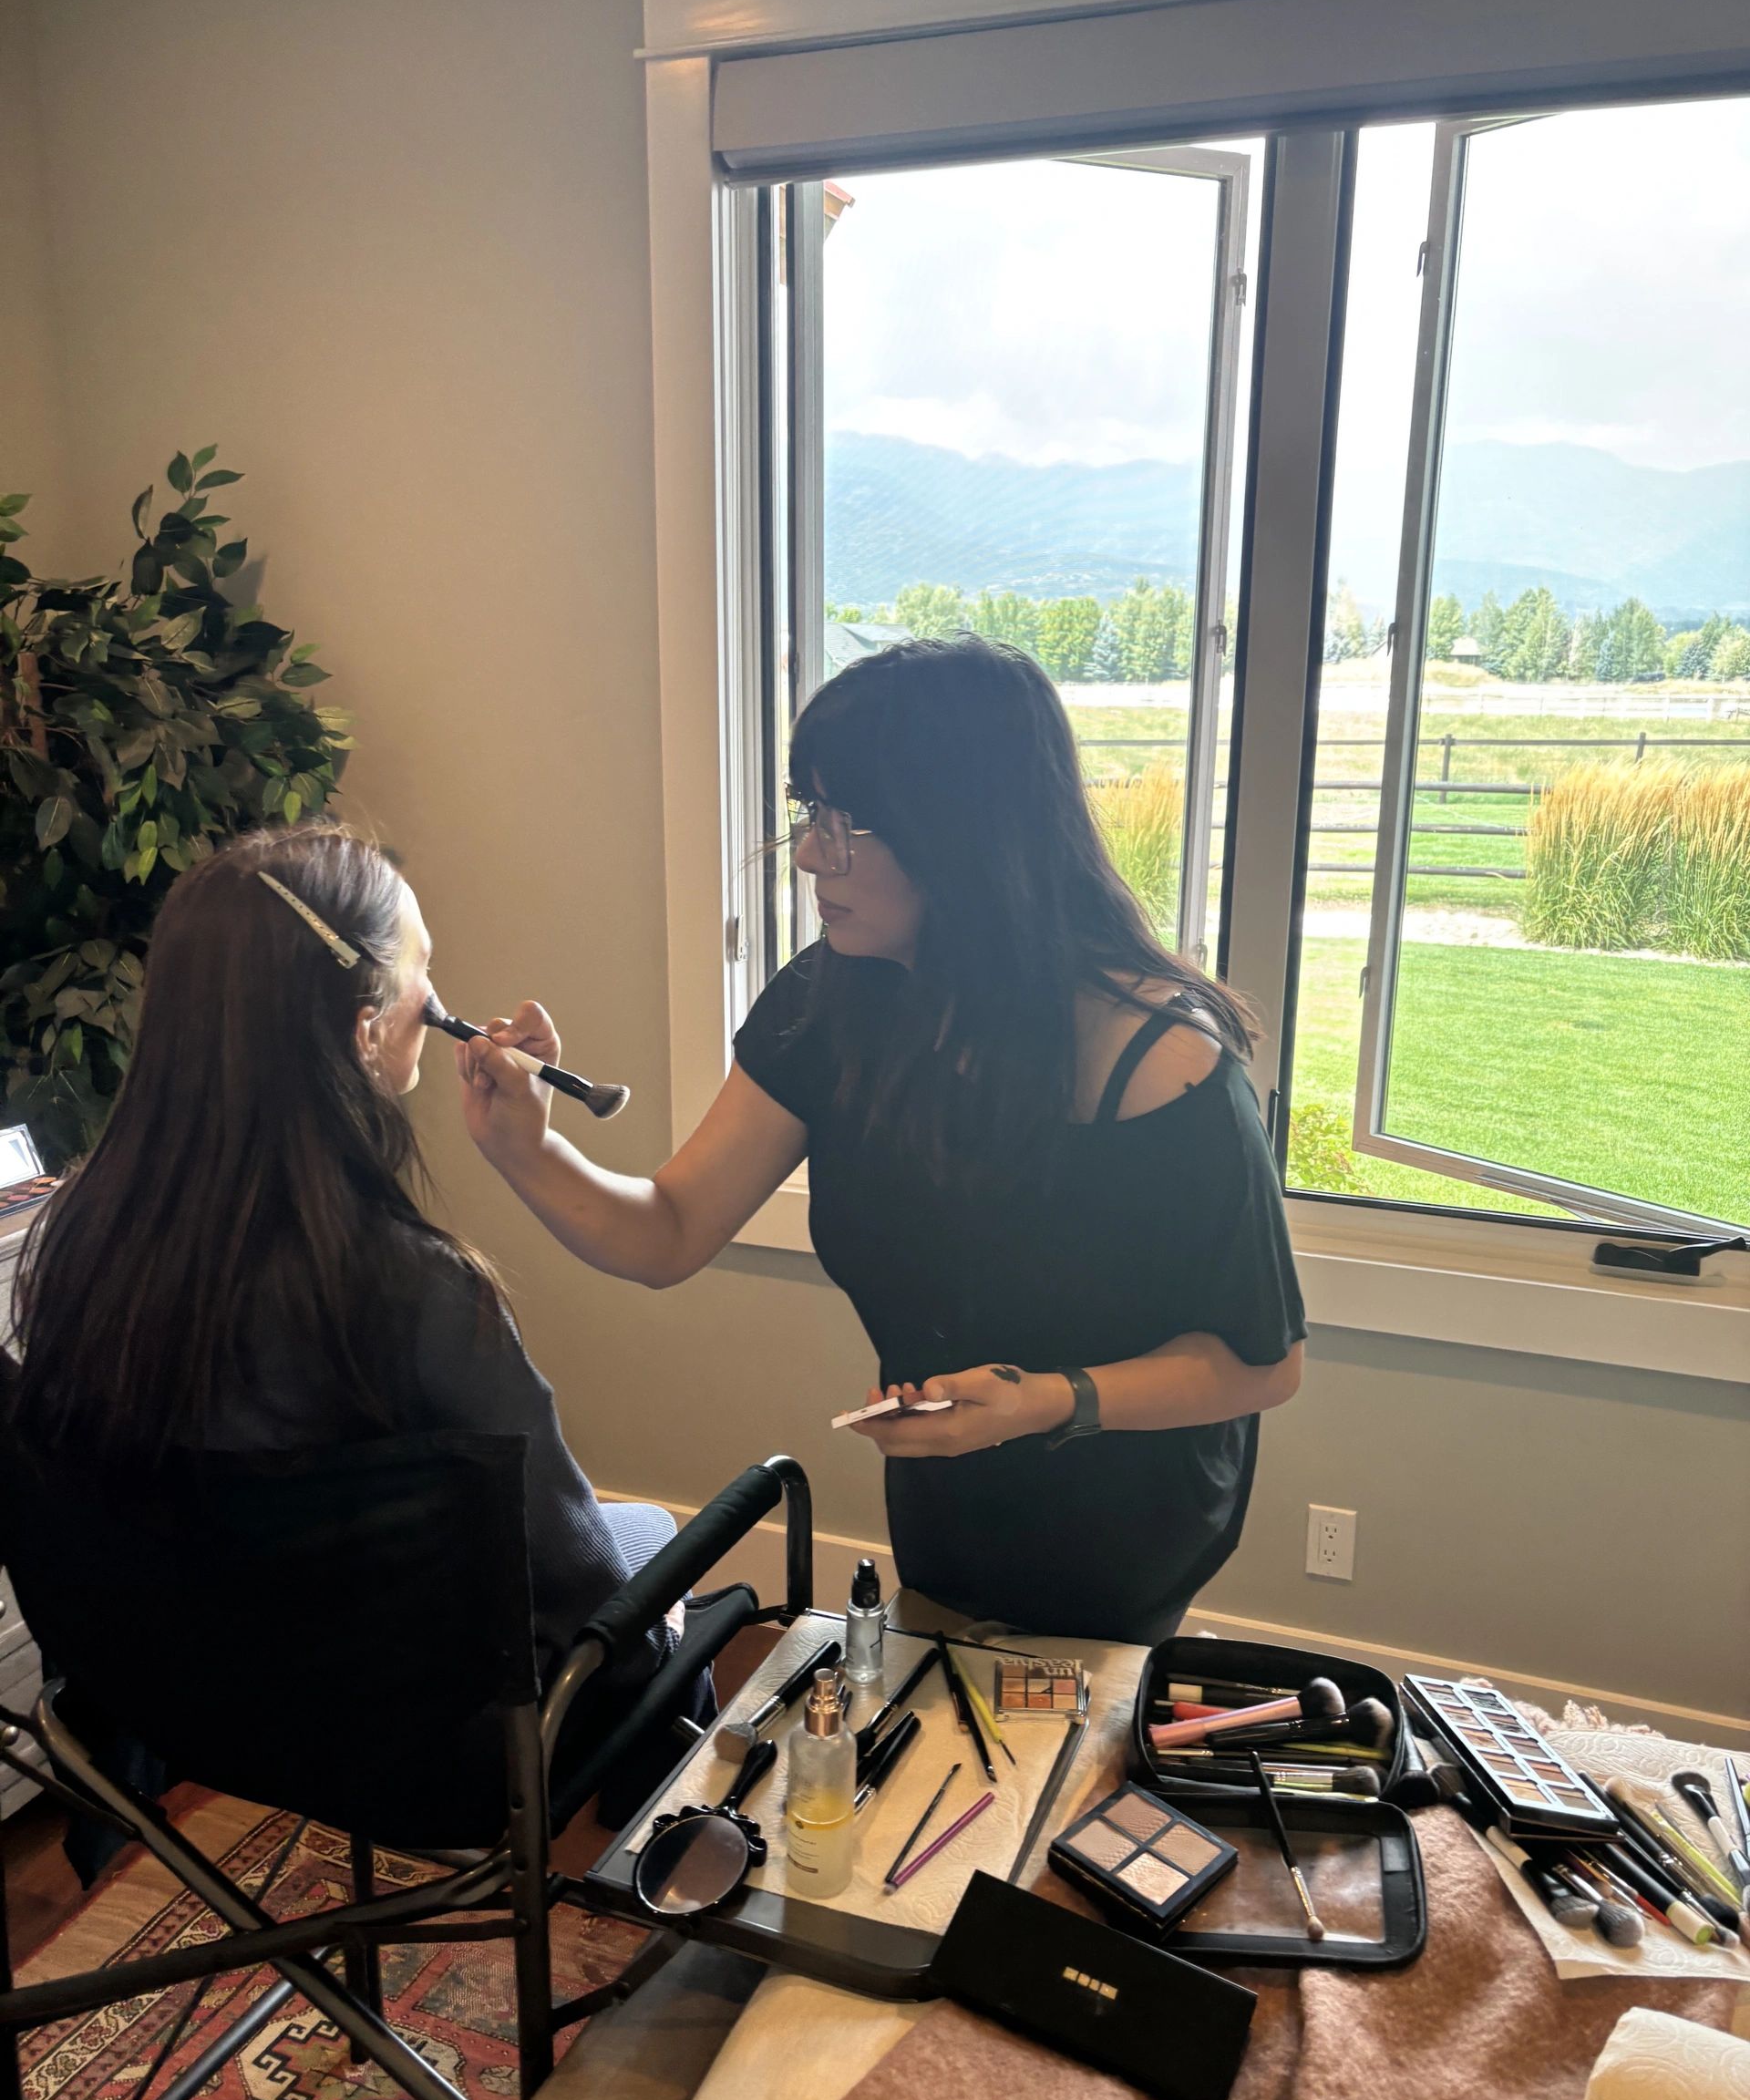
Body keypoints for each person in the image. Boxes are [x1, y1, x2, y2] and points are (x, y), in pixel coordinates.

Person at [458, 638, 1305, 1644]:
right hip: (945, 1508)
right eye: (807, 816)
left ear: (967, 838)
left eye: (844, 823)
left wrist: (1039, 1402)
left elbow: (1261, 1361)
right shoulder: (833, 997)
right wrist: (527, 1148)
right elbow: (670, 1229)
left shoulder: (1158, 1057)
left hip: (1124, 1538)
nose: (813, 854)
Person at [11, 824, 685, 1689]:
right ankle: (688, 1827)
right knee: (653, 1543)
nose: (440, 999)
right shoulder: (422, 1292)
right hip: (416, 1745)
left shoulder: (75, 1237)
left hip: (192, 1695)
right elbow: (582, 1586)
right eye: (424, 970)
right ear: (366, 1031)